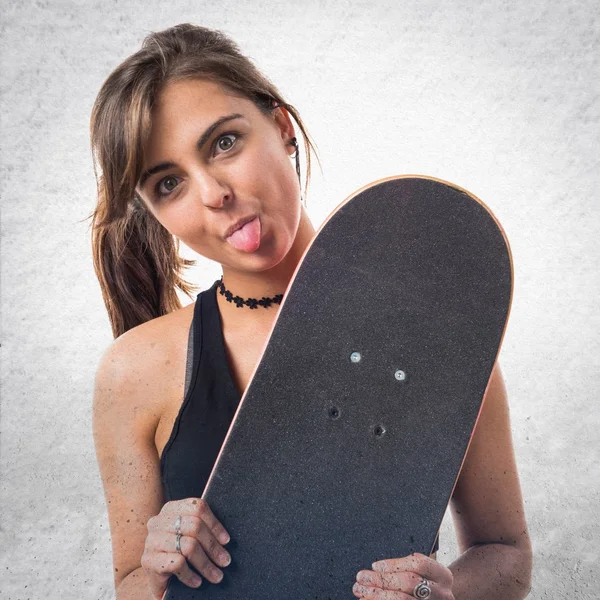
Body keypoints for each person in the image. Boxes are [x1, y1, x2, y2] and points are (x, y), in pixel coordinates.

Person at [90, 23, 533, 600]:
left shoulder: (437, 330)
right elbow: (129, 585)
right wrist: (155, 568)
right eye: (170, 183)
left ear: (281, 128)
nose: (212, 193)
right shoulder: (135, 371)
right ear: (155, 213)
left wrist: (444, 593)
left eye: (224, 143)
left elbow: (507, 556)